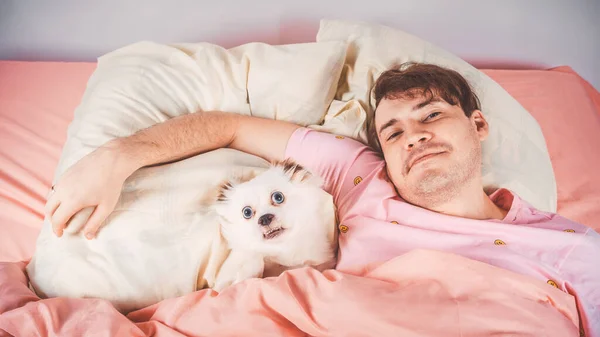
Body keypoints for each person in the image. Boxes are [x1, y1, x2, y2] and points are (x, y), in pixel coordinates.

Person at [45, 63, 599, 334]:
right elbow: (230, 127)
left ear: (477, 125)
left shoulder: (575, 248)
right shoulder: (359, 176)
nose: (415, 136)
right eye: (395, 131)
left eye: (431, 115)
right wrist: (120, 155)